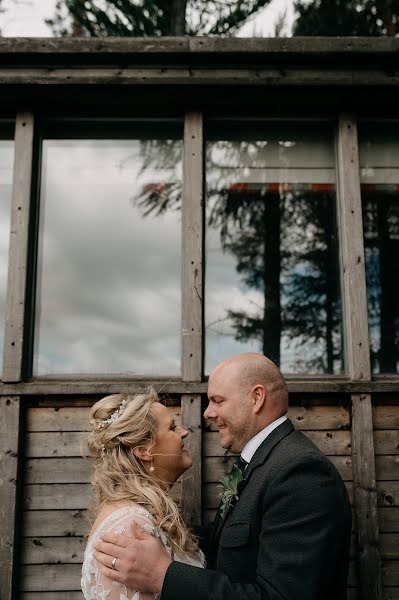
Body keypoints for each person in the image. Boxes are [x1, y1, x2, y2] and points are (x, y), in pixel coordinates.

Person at [94, 353, 352, 600]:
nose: (207, 413)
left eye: (218, 401)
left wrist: (164, 574)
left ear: (256, 398)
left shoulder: (299, 472)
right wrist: (162, 530)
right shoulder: (264, 463)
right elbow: (231, 545)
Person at [81, 387, 205, 600]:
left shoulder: (145, 516)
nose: (184, 432)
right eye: (173, 428)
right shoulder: (129, 527)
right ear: (144, 451)